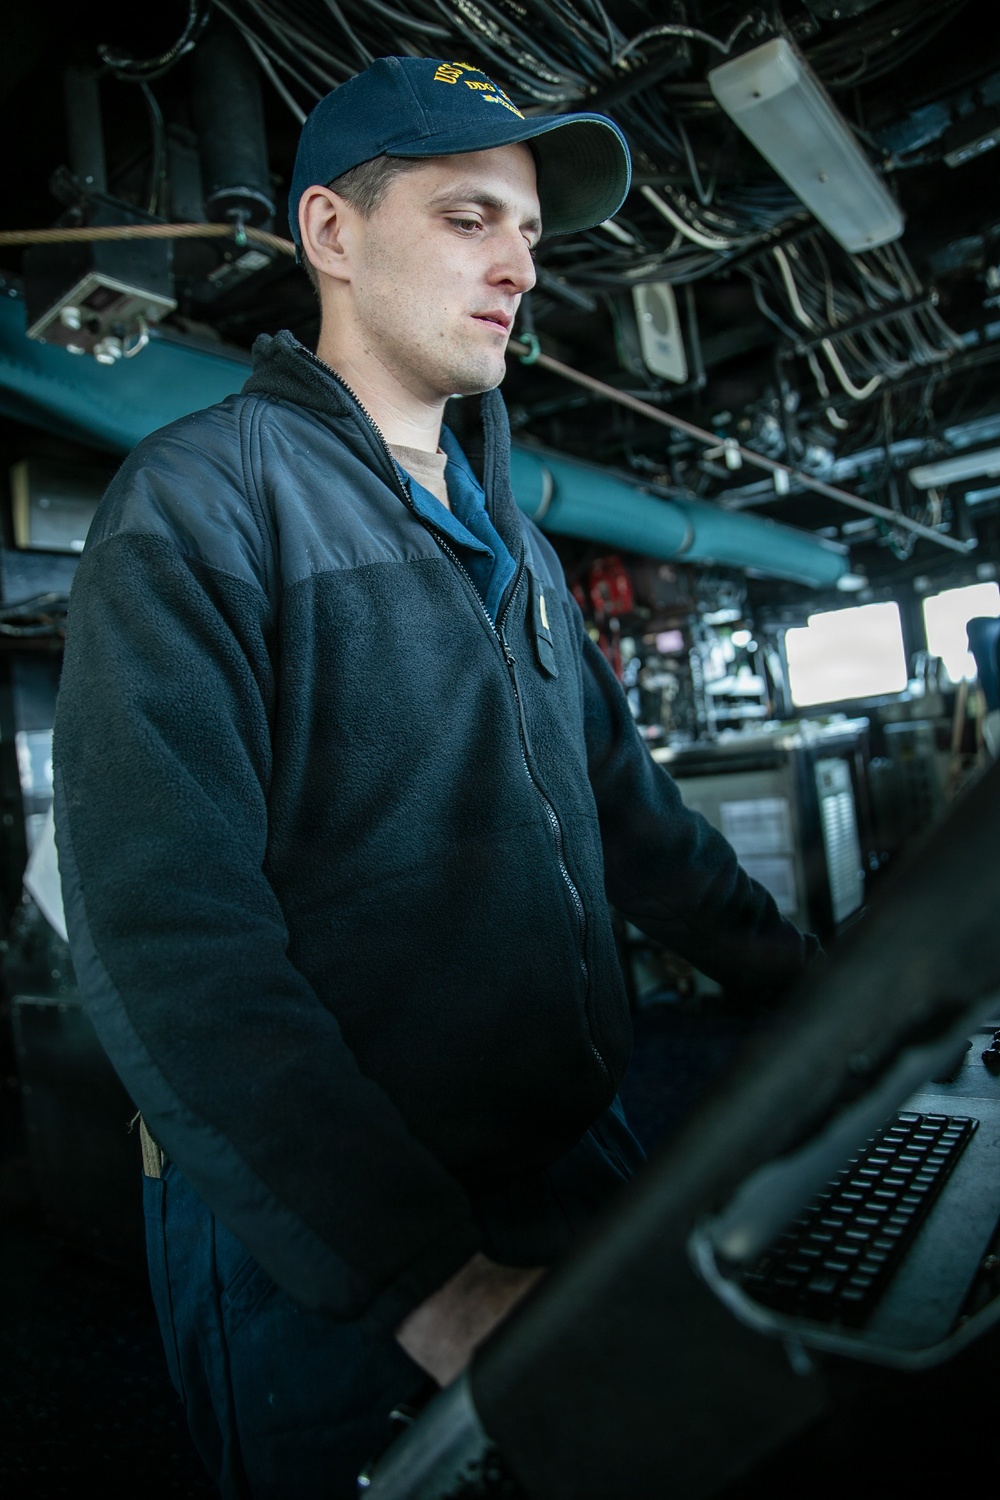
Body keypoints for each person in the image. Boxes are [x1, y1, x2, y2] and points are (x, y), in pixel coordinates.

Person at [52, 54, 820, 1500]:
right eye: (471, 218)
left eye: (529, 234)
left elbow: (636, 826)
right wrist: (427, 1283)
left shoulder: (514, 540)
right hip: (341, 1246)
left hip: (573, 1156)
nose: (519, 268)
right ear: (331, 233)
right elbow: (173, 944)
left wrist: (836, 999)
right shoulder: (202, 506)